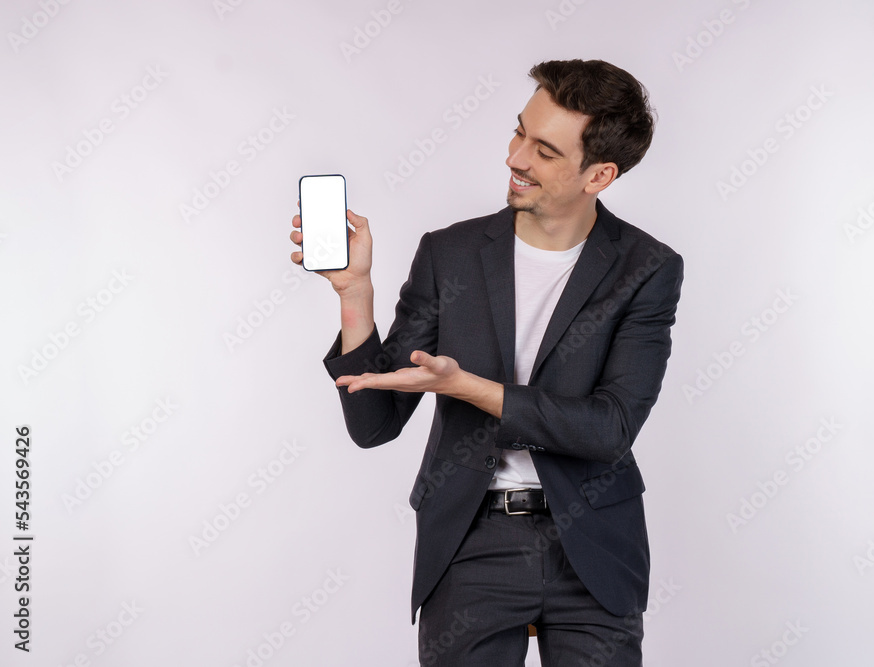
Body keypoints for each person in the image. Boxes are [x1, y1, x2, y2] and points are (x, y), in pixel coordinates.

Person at [289, 59, 683, 666]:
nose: (515, 157)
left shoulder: (647, 268)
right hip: (471, 539)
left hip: (594, 544)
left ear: (599, 175)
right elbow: (373, 424)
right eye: (519, 131)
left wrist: (471, 388)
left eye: (545, 151)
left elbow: (609, 429)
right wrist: (354, 295)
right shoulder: (450, 254)